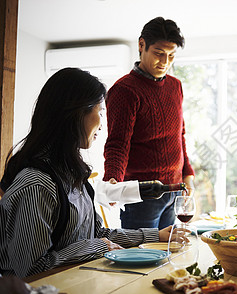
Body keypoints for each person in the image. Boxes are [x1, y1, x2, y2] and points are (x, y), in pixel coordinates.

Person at [0, 68, 172, 278]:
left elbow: (98, 233)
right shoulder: (37, 184)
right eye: (100, 112)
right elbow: (32, 270)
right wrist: (97, 247)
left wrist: (157, 235)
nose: (102, 123)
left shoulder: (73, 176)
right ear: (77, 113)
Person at [103, 16, 195, 230]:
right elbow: (117, 143)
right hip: (142, 196)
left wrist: (188, 173)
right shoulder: (124, 91)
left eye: (171, 56)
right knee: (140, 260)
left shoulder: (175, 86)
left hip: (174, 191)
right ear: (141, 45)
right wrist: (112, 179)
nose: (165, 62)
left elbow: (179, 135)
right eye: (159, 54)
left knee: (167, 257)